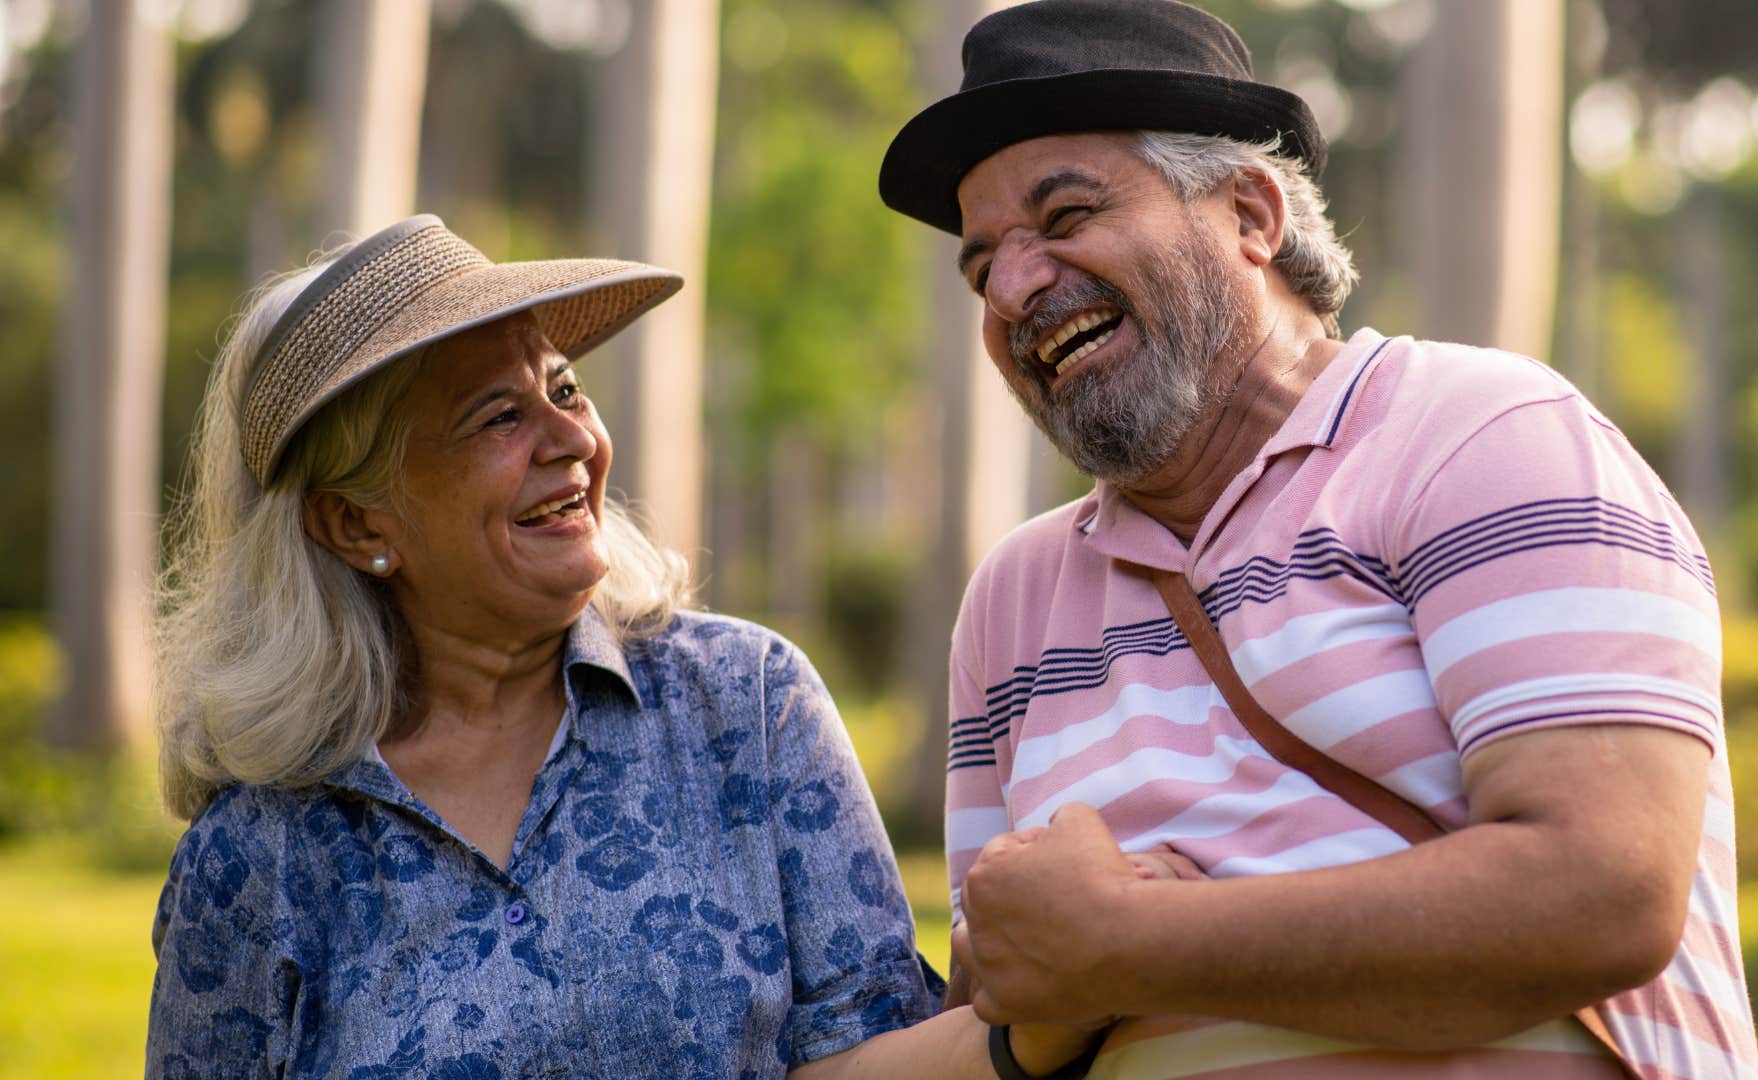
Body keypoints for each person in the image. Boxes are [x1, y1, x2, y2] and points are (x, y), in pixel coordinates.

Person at [878, 1, 1758, 1077]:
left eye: (1064, 218)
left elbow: (1603, 893)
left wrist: (1129, 943)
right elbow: (1016, 987)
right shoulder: (1014, 598)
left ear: (1251, 214)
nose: (1015, 287)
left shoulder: (1480, 434)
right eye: (982, 267)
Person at [145, 214, 1117, 1078]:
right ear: (356, 525)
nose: (571, 438)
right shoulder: (252, 857)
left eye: (565, 388)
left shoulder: (748, 705)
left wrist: (1037, 1029)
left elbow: (858, 1056)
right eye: (498, 416)